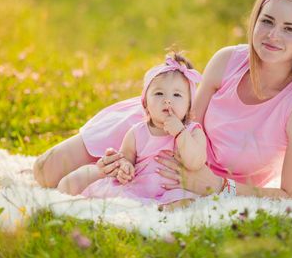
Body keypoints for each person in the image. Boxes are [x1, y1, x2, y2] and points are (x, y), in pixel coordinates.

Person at [33, 0, 292, 203]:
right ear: (255, 21)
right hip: (156, 128)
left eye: (289, 29)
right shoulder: (227, 61)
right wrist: (127, 157)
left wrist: (219, 187)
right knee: (46, 171)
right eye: (267, 21)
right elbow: (187, 120)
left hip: (192, 173)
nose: (273, 35)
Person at [74, 53, 207, 206]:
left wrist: (180, 132)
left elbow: (195, 162)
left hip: (173, 191)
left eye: (177, 94)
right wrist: (125, 167)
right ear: (145, 104)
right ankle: (142, 210)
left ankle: (164, 212)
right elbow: (126, 158)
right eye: (159, 93)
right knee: (116, 199)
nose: (167, 100)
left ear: (189, 107)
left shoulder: (192, 131)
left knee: (185, 203)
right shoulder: (137, 132)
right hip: (139, 189)